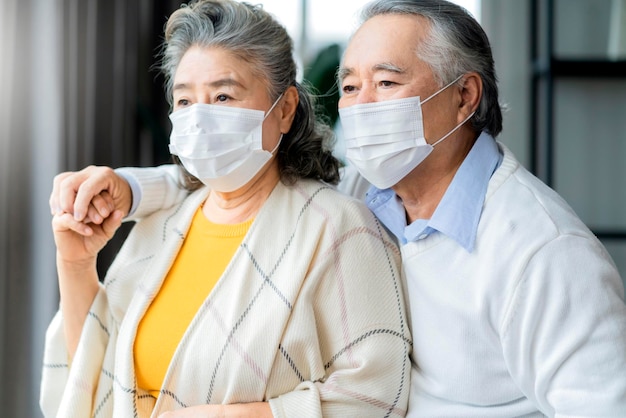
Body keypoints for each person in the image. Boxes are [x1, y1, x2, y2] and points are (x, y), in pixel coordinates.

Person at [49, 0, 626, 416]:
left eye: (387, 82)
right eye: (350, 87)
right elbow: (233, 183)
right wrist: (127, 188)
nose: (361, 105)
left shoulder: (543, 252)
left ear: (464, 97)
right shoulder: (372, 194)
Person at [41, 1, 413, 417]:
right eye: (185, 102)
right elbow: (94, 380)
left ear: (286, 109)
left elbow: (378, 391)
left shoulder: (339, 227)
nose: (200, 119)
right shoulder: (160, 227)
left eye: (222, 95)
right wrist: (75, 265)